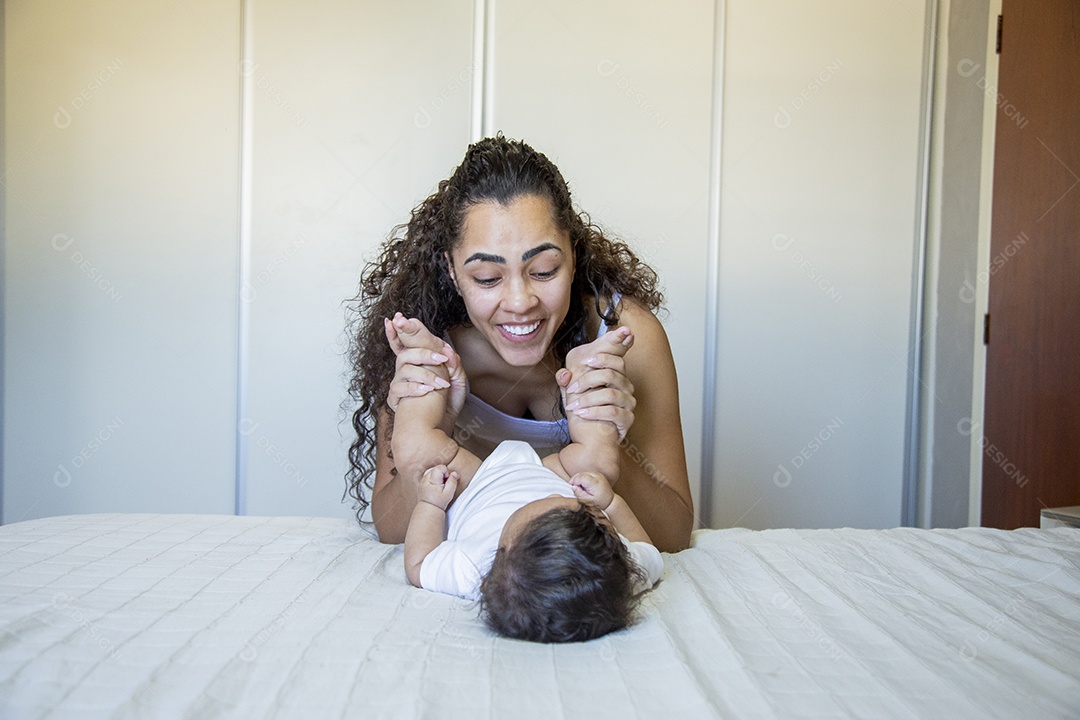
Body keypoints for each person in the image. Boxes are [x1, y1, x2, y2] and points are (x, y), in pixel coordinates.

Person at [345, 134, 694, 552]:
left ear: (573, 254)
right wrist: (430, 428)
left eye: (544, 270)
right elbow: (389, 527)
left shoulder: (623, 336)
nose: (519, 303)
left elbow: (673, 535)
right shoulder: (424, 342)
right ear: (453, 272)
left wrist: (610, 438)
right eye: (487, 278)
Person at [392, 315, 662, 642]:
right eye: (586, 515)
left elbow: (419, 564)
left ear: (499, 558)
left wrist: (431, 505)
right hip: (558, 474)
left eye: (546, 508)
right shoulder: (619, 570)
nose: (548, 500)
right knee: (599, 461)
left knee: (415, 450)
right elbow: (648, 548)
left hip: (476, 487)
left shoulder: (474, 571)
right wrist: (609, 502)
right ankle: (588, 375)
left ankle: (428, 369)